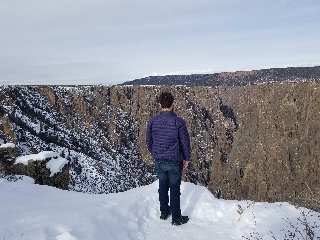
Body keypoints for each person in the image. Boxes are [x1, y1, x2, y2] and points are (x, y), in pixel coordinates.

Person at [146, 92, 191, 226]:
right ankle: (176, 218)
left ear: (159, 105)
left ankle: (164, 212)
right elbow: (185, 143)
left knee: (162, 187)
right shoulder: (179, 122)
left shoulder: (152, 121)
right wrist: (186, 158)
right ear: (173, 104)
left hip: (159, 160)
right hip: (174, 161)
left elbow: (148, 141)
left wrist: (155, 153)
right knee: (175, 189)